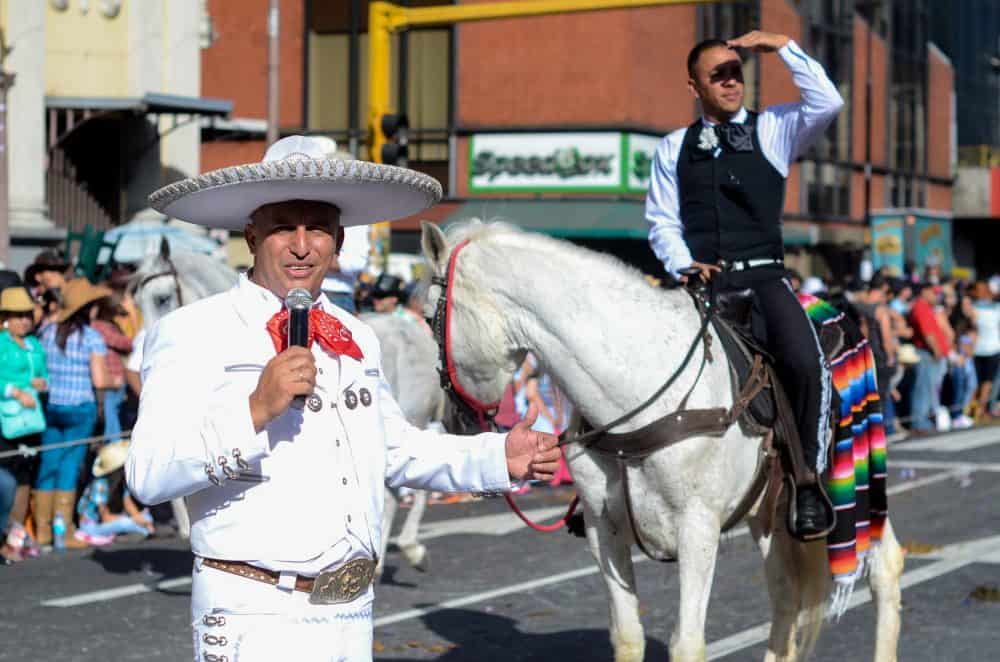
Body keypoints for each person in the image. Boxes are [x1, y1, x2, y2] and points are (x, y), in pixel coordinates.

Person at [126, 135, 560, 661]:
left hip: (352, 612)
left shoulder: (355, 336)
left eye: (319, 229)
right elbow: (148, 475)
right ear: (251, 233)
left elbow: (395, 448)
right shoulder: (193, 331)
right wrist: (255, 411)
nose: (302, 244)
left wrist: (497, 456)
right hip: (252, 613)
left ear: (338, 240)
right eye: (285, 225)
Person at [645, 30, 843, 539]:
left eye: (737, 71)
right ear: (694, 86)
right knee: (635, 359)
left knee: (805, 362)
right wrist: (683, 263)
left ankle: (807, 481)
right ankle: (605, 484)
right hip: (701, 285)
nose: (732, 81)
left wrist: (783, 47)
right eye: (719, 74)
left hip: (765, 278)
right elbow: (662, 221)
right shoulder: (671, 148)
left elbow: (828, 101)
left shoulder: (775, 127)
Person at [35, 278, 111, 548]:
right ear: (87, 308)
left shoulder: (46, 332)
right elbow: (100, 380)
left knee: (48, 464)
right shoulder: (91, 337)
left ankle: (41, 531)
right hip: (81, 407)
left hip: (52, 406)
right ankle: (62, 531)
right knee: (69, 466)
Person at [0, 286, 49, 559]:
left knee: (24, 481)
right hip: (4, 421)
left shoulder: (35, 345)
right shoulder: (1, 343)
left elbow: (43, 377)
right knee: (5, 481)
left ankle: (14, 541)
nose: (24, 320)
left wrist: (41, 385)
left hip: (30, 421)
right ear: (5, 317)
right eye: (18, 315)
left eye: (27, 315)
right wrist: (16, 390)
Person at [76, 440, 154, 545]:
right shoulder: (100, 484)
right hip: (91, 525)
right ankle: (136, 533)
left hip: (107, 521)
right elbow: (105, 517)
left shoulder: (120, 481)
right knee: (126, 523)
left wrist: (140, 518)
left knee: (147, 518)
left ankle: (135, 532)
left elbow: (128, 504)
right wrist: (135, 520)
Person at [907, 282, 952, 435]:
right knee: (924, 388)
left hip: (930, 353)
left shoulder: (926, 307)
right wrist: (936, 350)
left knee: (928, 388)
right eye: (934, 292)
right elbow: (927, 333)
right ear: (924, 291)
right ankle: (919, 421)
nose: (936, 296)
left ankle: (922, 419)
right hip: (927, 353)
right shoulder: (920, 306)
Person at [90, 295, 133, 442]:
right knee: (110, 415)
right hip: (110, 379)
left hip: (117, 379)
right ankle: (113, 446)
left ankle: (113, 443)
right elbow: (125, 343)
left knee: (113, 413)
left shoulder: (109, 325)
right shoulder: (99, 327)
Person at [968, 280, 1000, 422]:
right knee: (976, 382)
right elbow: (970, 328)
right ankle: (971, 410)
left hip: (993, 349)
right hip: (976, 350)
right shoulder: (972, 307)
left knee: (987, 382)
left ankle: (981, 409)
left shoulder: (997, 308)